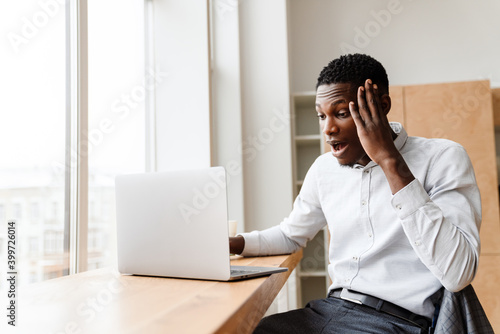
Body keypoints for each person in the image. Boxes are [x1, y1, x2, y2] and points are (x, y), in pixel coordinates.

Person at [229, 53, 482, 334]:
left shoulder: (443, 158)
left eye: (340, 113)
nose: (328, 129)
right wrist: (231, 244)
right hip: (331, 310)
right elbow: (291, 235)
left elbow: (458, 272)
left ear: (381, 106)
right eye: (322, 116)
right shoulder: (324, 169)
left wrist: (388, 159)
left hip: (400, 322)